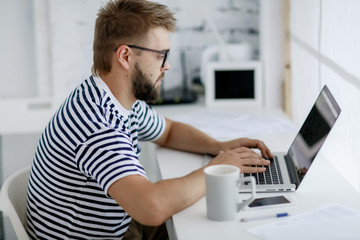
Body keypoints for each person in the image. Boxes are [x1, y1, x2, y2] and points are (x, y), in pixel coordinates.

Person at [26, 0, 273, 239]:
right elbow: (151, 208)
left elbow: (169, 131)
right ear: (125, 56)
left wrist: (219, 147)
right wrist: (219, 168)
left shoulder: (114, 97)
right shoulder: (98, 125)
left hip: (120, 225)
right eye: (160, 56)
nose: (166, 67)